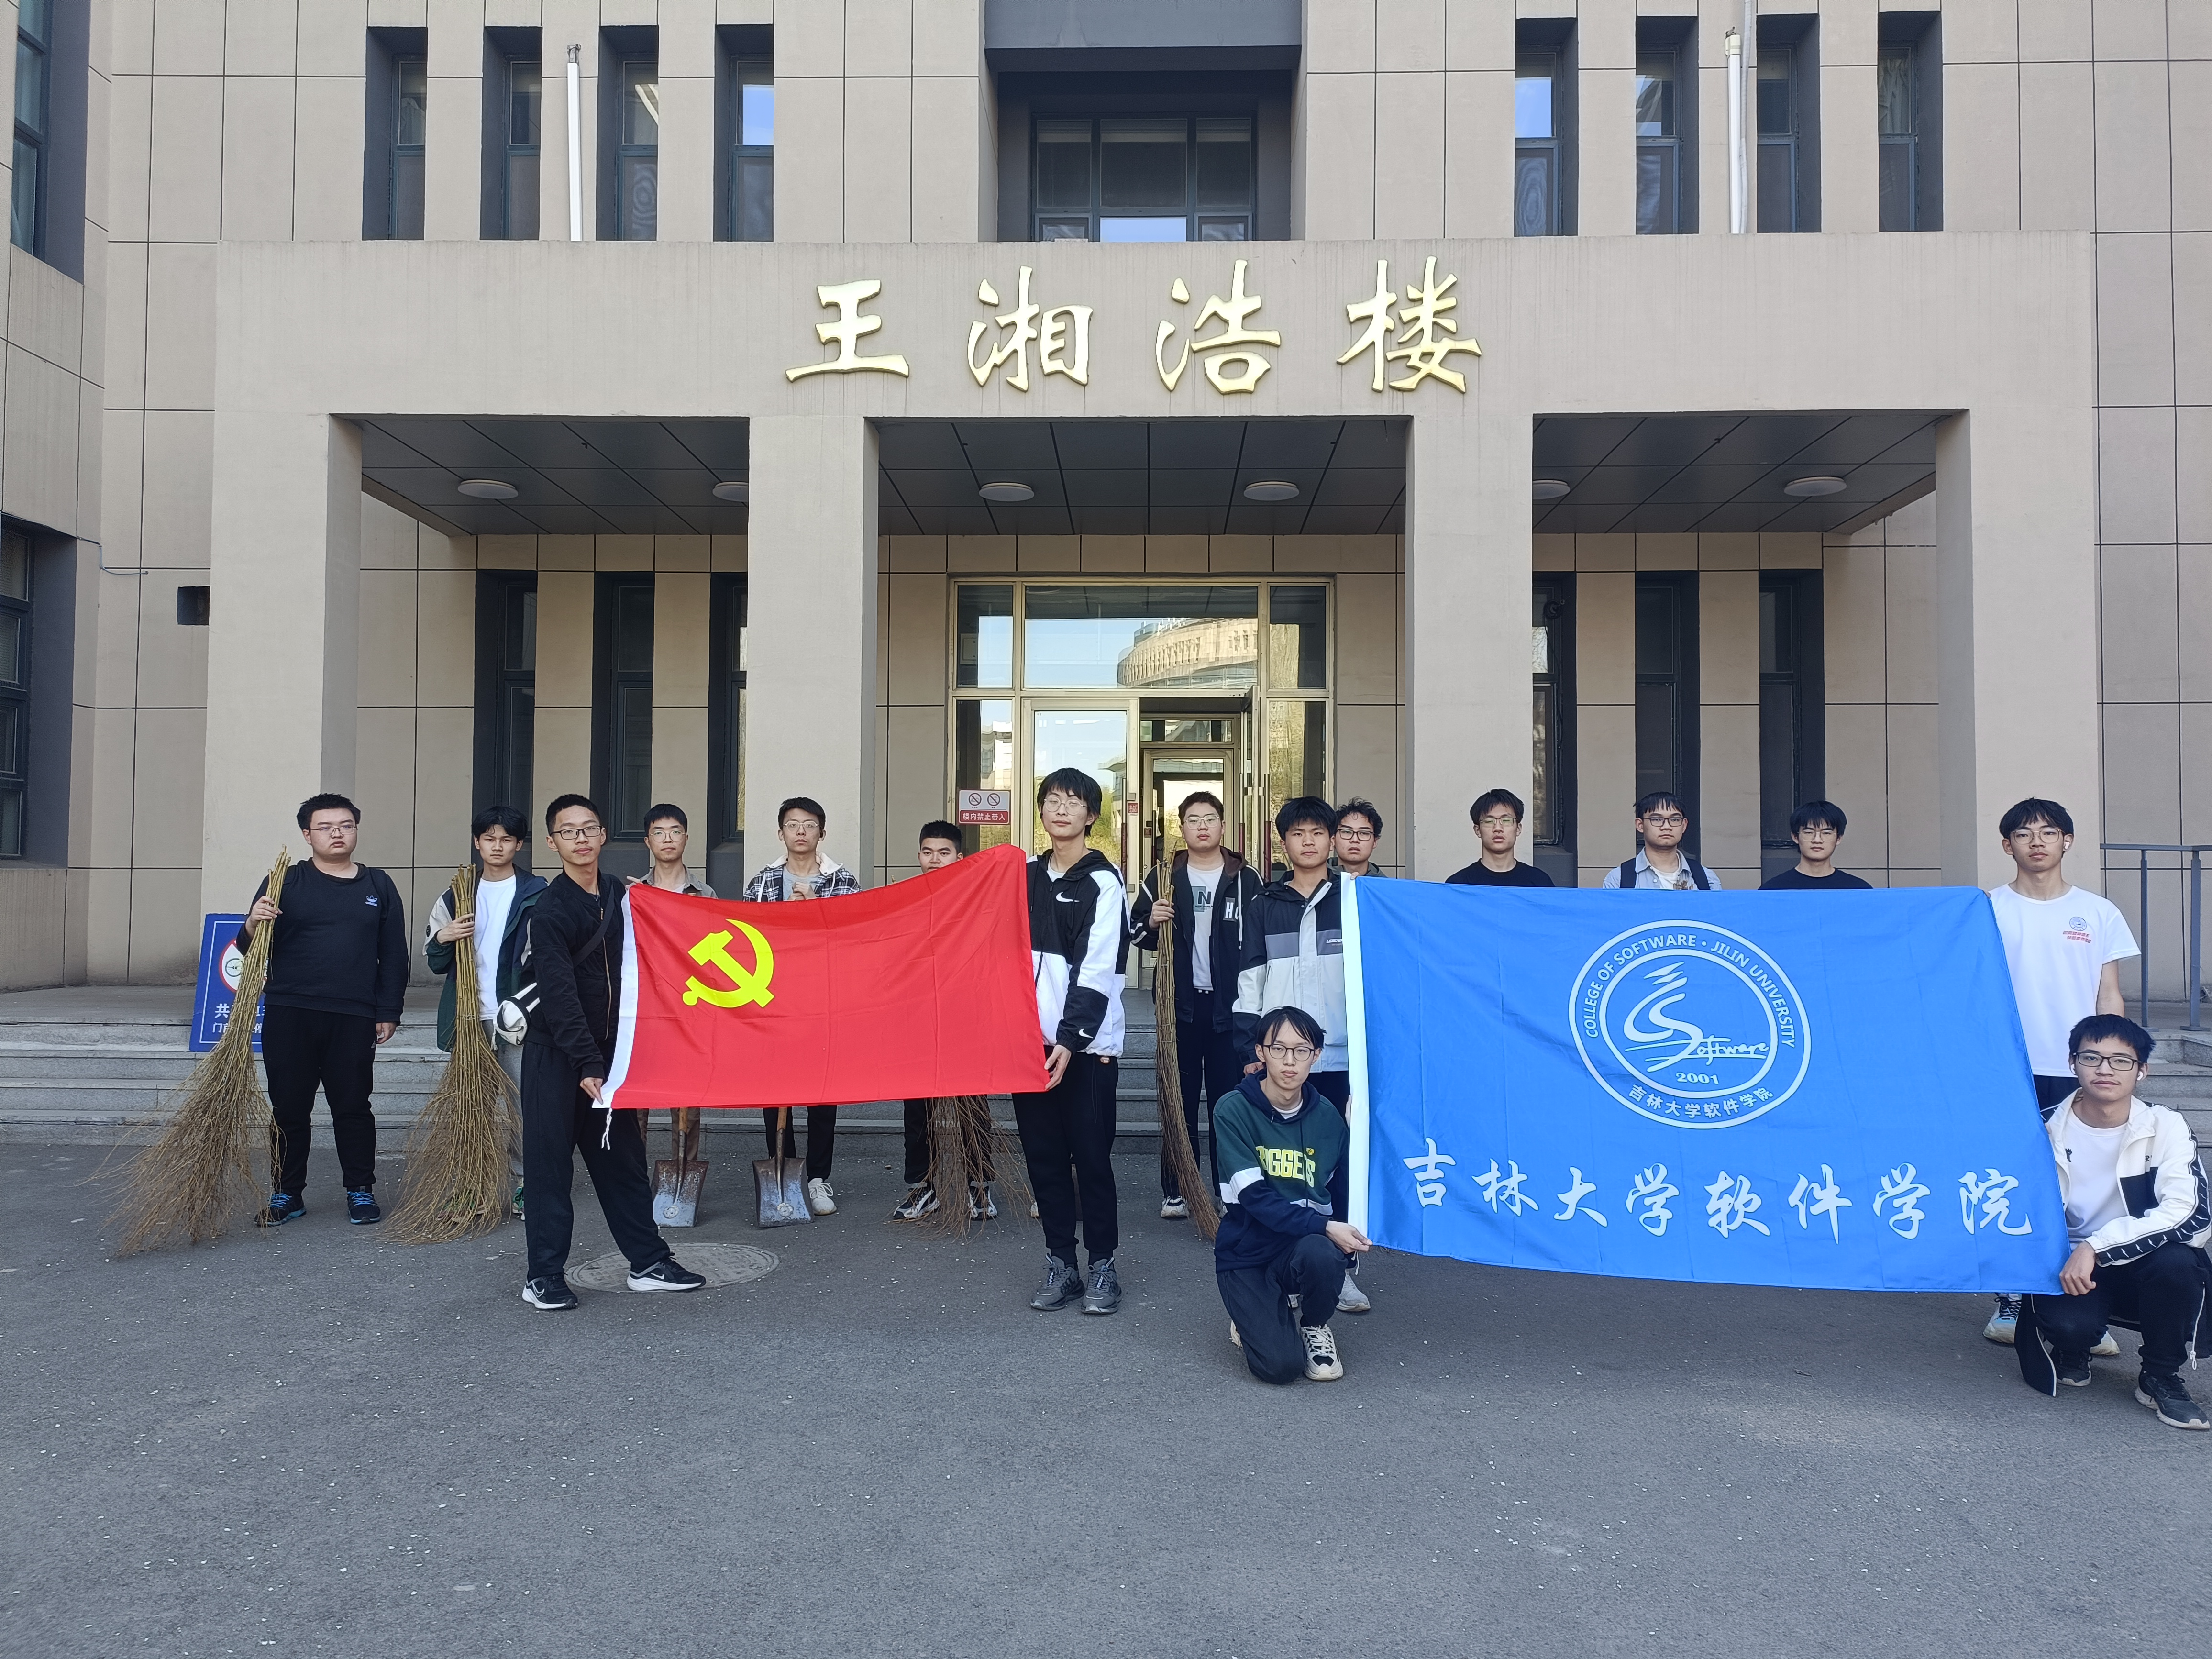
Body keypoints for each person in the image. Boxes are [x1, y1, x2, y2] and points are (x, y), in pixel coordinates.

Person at [518, 794, 703, 1311]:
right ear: (552, 842)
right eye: (569, 831)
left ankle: (648, 1262)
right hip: (557, 1058)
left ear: (603, 836)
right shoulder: (550, 910)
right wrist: (586, 1062)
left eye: (590, 828)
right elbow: (559, 996)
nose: (581, 838)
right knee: (550, 1170)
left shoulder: (621, 894)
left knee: (622, 1163)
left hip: (608, 1058)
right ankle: (543, 1276)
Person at [1983, 796, 2141, 1345]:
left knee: (2082, 1184)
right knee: (2015, 1179)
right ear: (2006, 845)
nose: (2037, 842)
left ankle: (2083, 1306)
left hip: (2078, 1068)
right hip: (2007, 1068)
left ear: (2067, 841)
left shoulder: (2097, 912)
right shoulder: (1989, 909)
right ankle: (2011, 1298)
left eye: (2049, 832)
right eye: (2024, 834)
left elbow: (2108, 993)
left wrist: (2115, 1060)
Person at [2017, 1014, 2211, 1429]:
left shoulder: (2165, 1126)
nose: (2105, 1069)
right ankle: (2073, 1346)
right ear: (2073, 1063)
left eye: (2121, 1061)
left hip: (2139, 1259)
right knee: (2071, 1326)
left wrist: (2096, 1246)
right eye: (2092, 1057)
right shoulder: (2042, 1128)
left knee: (2179, 1262)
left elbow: (2190, 1213)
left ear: (2142, 1071)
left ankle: (2160, 1375)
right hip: (2069, 1264)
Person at [238, 794, 409, 1228]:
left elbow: (394, 954)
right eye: (326, 827)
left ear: (356, 830)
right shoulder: (285, 880)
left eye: (346, 826)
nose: (337, 833)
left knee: (352, 1106)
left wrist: (388, 1010)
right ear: (307, 834)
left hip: (353, 1014)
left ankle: (360, 1190)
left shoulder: (378, 885)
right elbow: (248, 948)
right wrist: (253, 923)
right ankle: (287, 1193)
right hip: (291, 1010)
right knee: (289, 1108)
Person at [1233, 796, 1371, 1314]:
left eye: (1318, 832)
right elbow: (1250, 979)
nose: (1308, 841)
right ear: (1283, 842)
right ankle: (1287, 1265)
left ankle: (1342, 1269)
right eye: (1298, 833)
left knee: (1341, 1165)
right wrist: (1250, 1046)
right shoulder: (1265, 904)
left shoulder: (1354, 898)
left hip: (1341, 1057)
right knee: (1284, 1164)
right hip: (1282, 1056)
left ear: (1332, 840)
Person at [1016, 767, 1130, 1315]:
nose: (1061, 810)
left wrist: (1069, 1039)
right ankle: (1061, 1262)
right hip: (1029, 1048)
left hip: (1087, 1050)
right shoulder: (1023, 878)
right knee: (1044, 1159)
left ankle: (1103, 1264)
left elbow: (1098, 970)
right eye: (1052, 800)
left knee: (1091, 1159)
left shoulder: (1103, 882)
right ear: (1041, 810)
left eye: (1073, 802)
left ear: (1091, 815)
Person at [1215, 1005, 1371, 1384]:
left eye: (1301, 1050)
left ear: (1316, 1056)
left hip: (1299, 1248)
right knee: (1280, 1367)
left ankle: (1314, 1325)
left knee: (1324, 1253)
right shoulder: (1232, 1110)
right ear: (1261, 1052)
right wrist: (1326, 1226)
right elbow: (1255, 1199)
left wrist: (1359, 1138)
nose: (1289, 1061)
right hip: (1246, 1253)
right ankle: (1252, 1318)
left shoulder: (1328, 1119)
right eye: (1279, 1049)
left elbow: (1343, 1192)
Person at [1130, 792, 1264, 1218]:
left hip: (1232, 1010)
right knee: (1180, 1101)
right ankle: (1177, 1189)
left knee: (1229, 1104)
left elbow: (1261, 943)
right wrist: (1151, 921)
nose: (1202, 826)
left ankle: (1229, 1190)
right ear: (1182, 827)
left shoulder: (1246, 878)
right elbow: (1135, 933)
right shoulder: (1163, 876)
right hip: (1180, 1009)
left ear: (1223, 826)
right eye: (1193, 819)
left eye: (1210, 819)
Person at [742, 796, 862, 1216]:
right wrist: (786, 917)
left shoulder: (843, 881)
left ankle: (818, 1178)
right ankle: (783, 1170)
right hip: (772, 1002)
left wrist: (816, 913)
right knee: (775, 1090)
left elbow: (853, 940)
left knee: (823, 1091)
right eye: (793, 825)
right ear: (781, 833)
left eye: (809, 825)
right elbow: (747, 941)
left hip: (823, 1001)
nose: (801, 832)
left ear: (821, 833)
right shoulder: (762, 883)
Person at [424, 806, 547, 1217]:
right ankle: (470, 1184)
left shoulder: (536, 894)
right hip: (468, 1017)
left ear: (519, 844)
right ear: (477, 842)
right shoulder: (456, 894)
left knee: (524, 1107)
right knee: (470, 1106)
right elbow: (435, 960)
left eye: (507, 839)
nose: (498, 846)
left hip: (517, 1018)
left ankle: (527, 1184)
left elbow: (546, 958)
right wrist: (445, 937)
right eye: (490, 838)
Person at [892, 820, 997, 1223]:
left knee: (973, 1106)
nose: (934, 860)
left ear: (960, 857)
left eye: (943, 853)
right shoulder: (903, 899)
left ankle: (979, 1186)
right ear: (919, 855)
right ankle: (923, 1188)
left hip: (967, 1016)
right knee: (918, 1110)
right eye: (927, 852)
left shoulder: (976, 900)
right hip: (916, 1016)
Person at [634, 803, 713, 1194]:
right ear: (648, 841)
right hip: (644, 1007)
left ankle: (683, 1177)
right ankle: (632, 1178)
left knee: (687, 1101)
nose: (668, 839)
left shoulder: (705, 894)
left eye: (675, 831)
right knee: (638, 1100)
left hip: (689, 1008)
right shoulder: (634, 893)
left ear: (686, 838)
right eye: (659, 832)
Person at [1600, 791, 1721, 890]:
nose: (1666, 827)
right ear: (1640, 825)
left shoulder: (1706, 879)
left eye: (1675, 820)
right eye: (1657, 820)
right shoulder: (1619, 879)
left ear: (1684, 825)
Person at [1445, 789, 1556, 887]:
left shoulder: (1540, 882)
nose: (1498, 828)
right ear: (1478, 830)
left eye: (1506, 820)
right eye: (1489, 821)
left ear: (1518, 829)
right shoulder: (1459, 884)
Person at [1759, 800, 1871, 890]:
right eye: (1809, 833)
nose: (1817, 840)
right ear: (1795, 837)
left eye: (1826, 833)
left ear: (1839, 838)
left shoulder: (1859, 890)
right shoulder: (1773, 890)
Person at [1332, 798, 1386, 879]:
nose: (1355, 840)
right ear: (1333, 839)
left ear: (1375, 841)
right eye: (1347, 832)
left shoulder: (1384, 885)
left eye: (1364, 833)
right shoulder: (1317, 878)